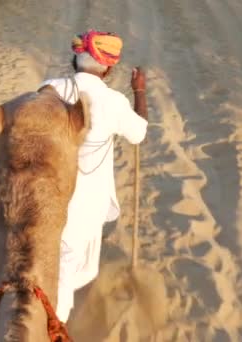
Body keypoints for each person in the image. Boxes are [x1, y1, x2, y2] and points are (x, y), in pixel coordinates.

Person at [38, 29, 149, 322]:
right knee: (68, 269)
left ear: (75, 59)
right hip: (84, 204)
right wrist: (139, 90)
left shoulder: (49, 88)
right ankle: (54, 325)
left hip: (43, 194)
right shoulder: (114, 102)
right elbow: (139, 133)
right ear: (109, 68)